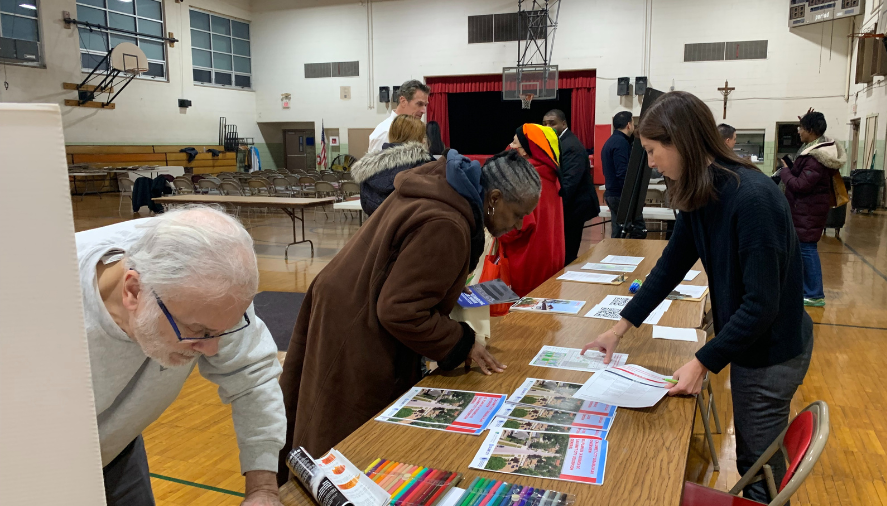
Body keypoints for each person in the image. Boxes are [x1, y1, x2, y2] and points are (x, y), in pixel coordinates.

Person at [581, 91, 813, 503]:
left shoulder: (752, 199)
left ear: (680, 141)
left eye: (653, 151)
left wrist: (702, 361)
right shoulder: (702, 190)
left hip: (772, 351)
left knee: (757, 466)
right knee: (753, 455)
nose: (651, 162)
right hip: (750, 339)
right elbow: (670, 266)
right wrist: (618, 330)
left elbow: (762, 306)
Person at [277, 150, 542, 483]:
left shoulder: (442, 186)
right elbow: (400, 310)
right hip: (356, 321)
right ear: (494, 198)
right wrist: (462, 340)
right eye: (517, 214)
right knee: (340, 435)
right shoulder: (447, 222)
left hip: (347, 299)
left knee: (321, 416)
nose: (518, 225)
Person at [76, 207, 286, 506]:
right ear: (133, 290)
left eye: (222, 330)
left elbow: (252, 379)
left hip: (118, 448)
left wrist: (263, 489)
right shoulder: (42, 300)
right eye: (197, 330)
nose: (212, 349)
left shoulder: (211, 272)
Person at [779, 111, 846, 307]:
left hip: (808, 211)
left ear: (811, 131)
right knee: (803, 249)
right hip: (805, 209)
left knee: (807, 249)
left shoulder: (817, 157)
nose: (798, 131)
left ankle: (815, 294)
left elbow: (801, 185)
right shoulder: (815, 150)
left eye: (801, 128)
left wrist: (785, 172)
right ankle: (806, 289)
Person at [501, 124, 566, 297]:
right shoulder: (551, 175)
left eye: (515, 143)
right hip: (552, 257)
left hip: (528, 262)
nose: (510, 147)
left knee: (524, 319)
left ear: (525, 151)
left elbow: (513, 230)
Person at [543, 109, 600, 264]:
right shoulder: (560, 142)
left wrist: (554, 208)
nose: (548, 127)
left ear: (563, 123)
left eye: (552, 123)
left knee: (568, 253)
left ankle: (565, 284)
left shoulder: (570, 145)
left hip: (575, 207)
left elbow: (569, 182)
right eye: (545, 124)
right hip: (571, 205)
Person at [352, 114, 434, 215]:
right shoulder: (427, 167)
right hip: (415, 229)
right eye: (423, 136)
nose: (424, 140)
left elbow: (366, 205)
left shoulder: (366, 170)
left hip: (378, 228)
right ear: (419, 139)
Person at [600, 111, 645, 238]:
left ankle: (618, 256)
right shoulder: (620, 143)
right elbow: (623, 173)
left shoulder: (611, 141)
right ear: (629, 125)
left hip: (612, 193)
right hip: (620, 195)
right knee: (638, 230)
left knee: (619, 232)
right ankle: (630, 256)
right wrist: (632, 196)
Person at [367, 80, 430, 153]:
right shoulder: (386, 131)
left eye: (425, 105)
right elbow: (378, 163)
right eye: (419, 104)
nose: (424, 111)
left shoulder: (412, 129)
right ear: (403, 101)